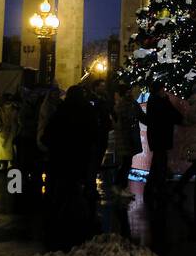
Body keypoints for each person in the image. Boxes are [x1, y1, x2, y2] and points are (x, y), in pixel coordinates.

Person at [41, 85, 101, 244]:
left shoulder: (62, 110)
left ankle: (61, 221)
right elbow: (95, 132)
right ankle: (80, 220)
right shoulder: (87, 110)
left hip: (62, 157)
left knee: (64, 189)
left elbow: (48, 134)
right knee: (77, 188)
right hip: (81, 155)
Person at [142, 83, 180, 198]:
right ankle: (159, 187)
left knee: (158, 161)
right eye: (162, 89)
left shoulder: (159, 100)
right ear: (158, 90)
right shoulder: (157, 101)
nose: (164, 91)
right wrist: (181, 119)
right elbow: (167, 114)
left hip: (160, 135)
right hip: (159, 135)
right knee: (160, 161)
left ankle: (151, 187)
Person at [111, 82, 141, 199]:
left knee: (126, 163)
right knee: (126, 163)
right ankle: (120, 186)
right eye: (130, 90)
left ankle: (120, 186)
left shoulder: (130, 103)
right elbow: (126, 120)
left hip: (128, 137)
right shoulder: (126, 104)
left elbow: (139, 115)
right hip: (126, 138)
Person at [0, 92, 20, 170]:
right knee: (2, 148)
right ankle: (2, 163)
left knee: (9, 147)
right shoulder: (0, 109)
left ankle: (9, 162)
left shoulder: (14, 109)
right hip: (3, 130)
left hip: (12, 130)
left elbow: (18, 120)